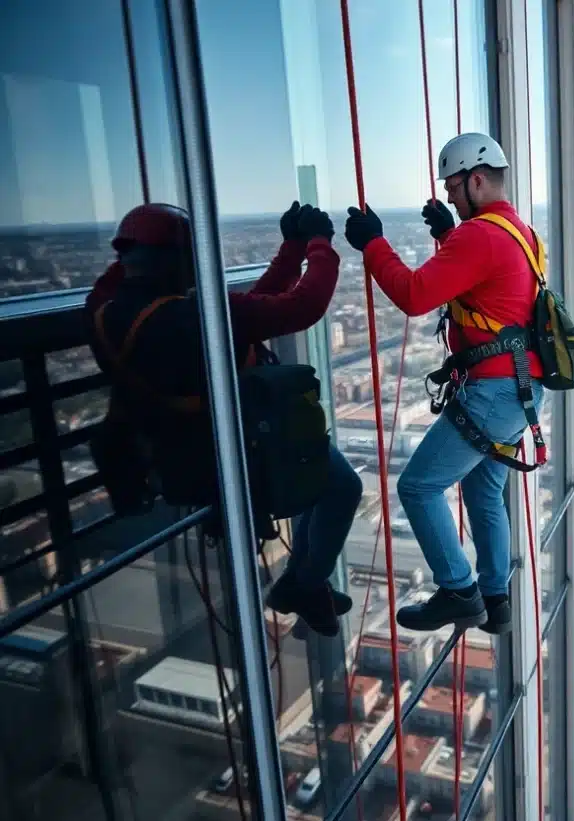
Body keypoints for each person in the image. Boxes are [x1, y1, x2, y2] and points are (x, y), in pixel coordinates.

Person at [85, 201, 363, 637]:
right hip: (235, 452)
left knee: (325, 485)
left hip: (178, 454)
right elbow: (300, 307)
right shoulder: (193, 318)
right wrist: (320, 244)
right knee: (344, 487)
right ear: (181, 263)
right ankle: (305, 584)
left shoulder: (102, 312)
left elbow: (251, 309)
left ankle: (304, 580)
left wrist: (292, 250)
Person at [342, 132, 545, 636]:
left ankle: (459, 591)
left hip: (494, 389)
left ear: (477, 180)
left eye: (453, 187)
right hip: (519, 390)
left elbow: (413, 295)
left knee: (418, 486)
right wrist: (448, 233)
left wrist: (373, 244)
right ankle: (495, 599)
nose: (449, 195)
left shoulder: (479, 236)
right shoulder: (519, 231)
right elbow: (487, 289)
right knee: (483, 491)